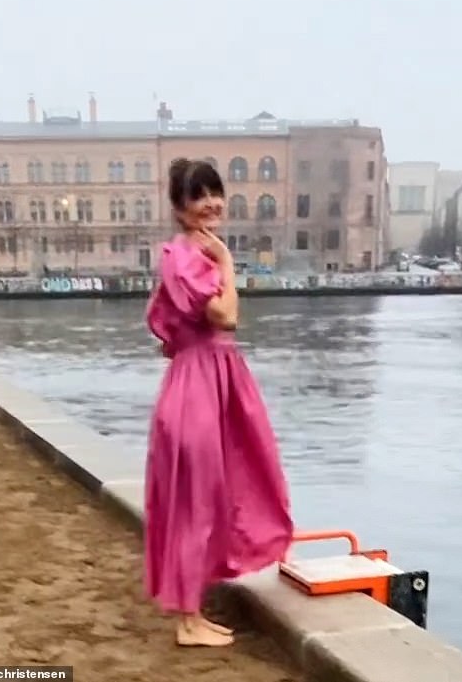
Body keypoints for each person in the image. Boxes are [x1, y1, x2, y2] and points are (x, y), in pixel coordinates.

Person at [144, 157, 294, 647]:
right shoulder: (187, 256)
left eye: (215, 192)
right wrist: (229, 264)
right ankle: (187, 622)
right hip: (199, 385)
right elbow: (226, 316)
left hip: (210, 380)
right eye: (199, 195)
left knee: (211, 494)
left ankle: (193, 611)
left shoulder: (193, 254)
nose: (211, 203)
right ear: (180, 207)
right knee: (194, 502)